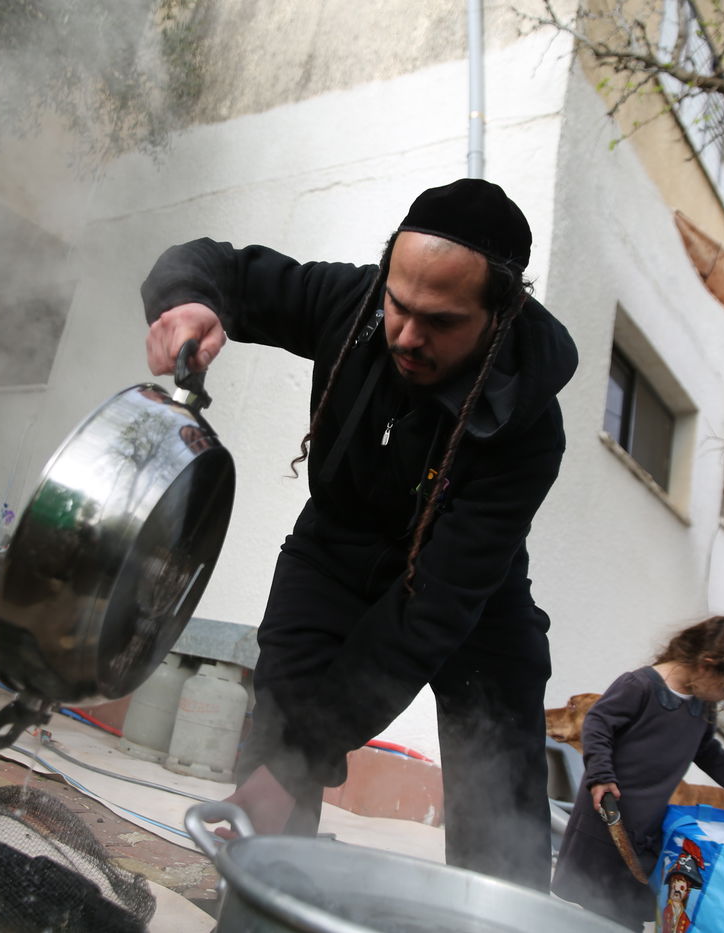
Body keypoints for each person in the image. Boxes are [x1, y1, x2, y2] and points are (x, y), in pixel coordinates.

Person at [140, 178, 578, 889]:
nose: (406, 336)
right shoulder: (353, 304)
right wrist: (189, 301)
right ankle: (263, 905)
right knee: (280, 734)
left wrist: (300, 763)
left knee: (500, 799)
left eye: (439, 321)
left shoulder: (529, 431)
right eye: (398, 305)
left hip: (469, 597)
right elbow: (215, 265)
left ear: (500, 315)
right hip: (334, 548)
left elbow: (428, 611)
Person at [550, 615, 724, 930]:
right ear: (707, 665)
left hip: (646, 833)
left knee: (625, 917)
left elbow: (706, 750)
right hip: (608, 824)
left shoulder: (701, 706)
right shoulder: (640, 686)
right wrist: (600, 776)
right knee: (597, 914)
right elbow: (598, 725)